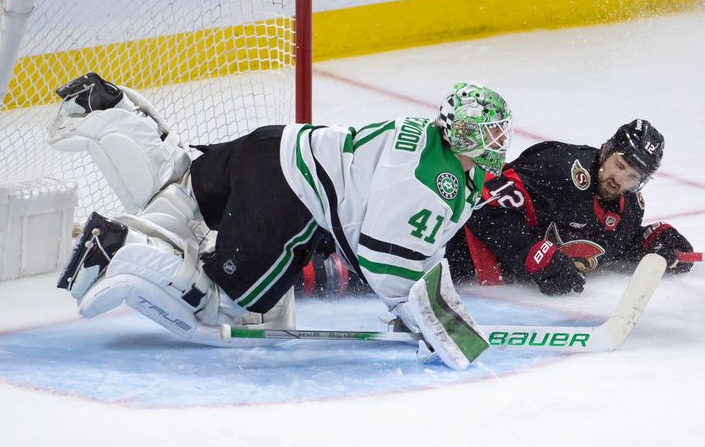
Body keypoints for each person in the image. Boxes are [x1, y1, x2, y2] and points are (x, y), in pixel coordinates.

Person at [49, 74, 512, 370]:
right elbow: (384, 260)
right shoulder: (434, 182)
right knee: (231, 309)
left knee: (185, 189)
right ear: (466, 133)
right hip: (284, 196)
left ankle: (109, 109)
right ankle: (115, 246)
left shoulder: (429, 137)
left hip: (274, 145)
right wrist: (436, 324)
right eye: (492, 130)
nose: (500, 139)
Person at [443, 119, 696, 295]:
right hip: (450, 242)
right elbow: (482, 203)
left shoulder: (629, 207)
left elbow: (607, 244)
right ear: (607, 150)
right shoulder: (557, 168)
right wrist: (530, 254)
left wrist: (649, 241)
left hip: (484, 283)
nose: (620, 180)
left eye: (632, 177)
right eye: (619, 166)